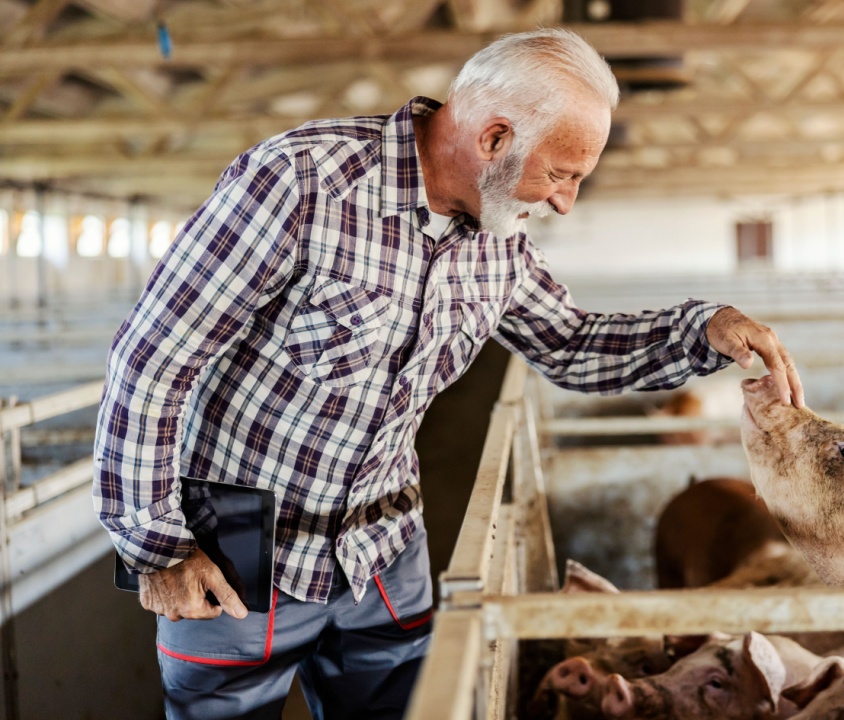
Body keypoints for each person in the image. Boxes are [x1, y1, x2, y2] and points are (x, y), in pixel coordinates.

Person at [93, 27, 803, 720]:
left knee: (403, 708)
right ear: (493, 139)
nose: (564, 202)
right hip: (241, 555)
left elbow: (571, 343)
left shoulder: (500, 243)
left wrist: (699, 333)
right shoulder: (301, 182)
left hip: (383, 547)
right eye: (561, 174)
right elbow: (155, 357)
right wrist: (156, 544)